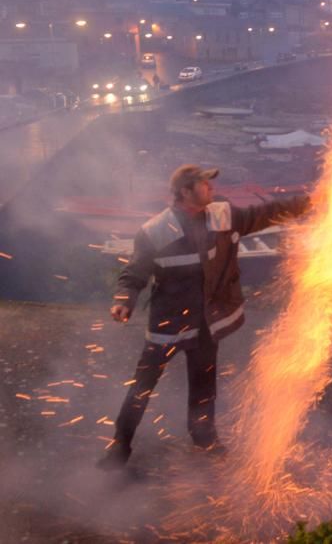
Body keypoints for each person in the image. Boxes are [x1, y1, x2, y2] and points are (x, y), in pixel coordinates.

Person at [97, 164, 311, 469]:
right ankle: (119, 446)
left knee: (203, 387)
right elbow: (135, 272)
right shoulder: (155, 231)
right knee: (142, 387)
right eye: (204, 184)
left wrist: (307, 203)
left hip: (205, 324)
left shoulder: (222, 215)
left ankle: (204, 440)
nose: (211, 188)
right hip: (167, 326)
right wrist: (124, 301)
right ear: (186, 192)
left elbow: (264, 213)